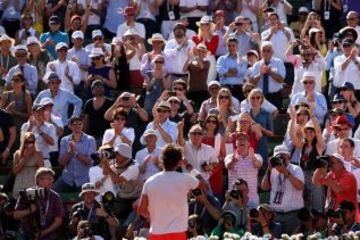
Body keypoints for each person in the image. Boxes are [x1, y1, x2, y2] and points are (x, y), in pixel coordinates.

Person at [138, 144, 201, 239]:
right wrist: (188, 166)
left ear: (161, 160)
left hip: (156, 233)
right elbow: (204, 185)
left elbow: (141, 210)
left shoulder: (149, 181)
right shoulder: (185, 178)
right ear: (179, 162)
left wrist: (155, 217)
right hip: (178, 234)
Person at [261, 144, 305, 234]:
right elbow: (264, 187)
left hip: (292, 214)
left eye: (282, 156)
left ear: (288, 157)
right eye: (277, 157)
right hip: (275, 214)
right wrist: (268, 170)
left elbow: (300, 187)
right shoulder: (272, 170)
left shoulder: (296, 169)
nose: (280, 159)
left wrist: (286, 172)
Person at [13, 167, 64, 240]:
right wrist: (29, 210)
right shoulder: (26, 194)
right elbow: (16, 215)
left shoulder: (55, 197)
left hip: (47, 233)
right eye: (43, 179)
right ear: (37, 180)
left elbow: (58, 221)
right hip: (26, 232)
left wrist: (42, 233)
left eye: (50, 179)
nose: (47, 181)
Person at [289, 110, 325, 212]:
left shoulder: (319, 146)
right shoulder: (302, 146)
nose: (309, 133)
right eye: (307, 131)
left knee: (317, 207)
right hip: (303, 177)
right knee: (305, 207)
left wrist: (312, 115)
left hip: (316, 178)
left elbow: (318, 131)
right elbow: (292, 135)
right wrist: (292, 120)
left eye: (311, 131)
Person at [53, 116, 96, 192]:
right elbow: (61, 163)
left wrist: (76, 153)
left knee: (87, 197)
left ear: (83, 125)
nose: (77, 126)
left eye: (80, 124)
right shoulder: (64, 140)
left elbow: (89, 162)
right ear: (69, 126)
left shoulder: (90, 140)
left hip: (84, 179)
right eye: (74, 124)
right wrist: (69, 152)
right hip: (67, 178)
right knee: (53, 192)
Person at [101, 143, 143, 220]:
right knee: (106, 210)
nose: (114, 155)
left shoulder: (134, 167)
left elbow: (117, 179)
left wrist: (108, 166)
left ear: (125, 155)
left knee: (127, 224)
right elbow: (105, 172)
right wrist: (104, 163)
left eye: (117, 153)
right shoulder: (116, 164)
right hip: (122, 198)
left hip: (135, 199)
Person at [224, 132, 262, 209]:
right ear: (236, 143)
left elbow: (258, 165)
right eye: (239, 139)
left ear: (248, 143)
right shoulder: (229, 156)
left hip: (252, 199)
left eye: (244, 139)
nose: (241, 141)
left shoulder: (257, 156)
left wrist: (253, 159)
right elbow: (228, 166)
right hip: (234, 198)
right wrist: (234, 160)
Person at [250, 41, 286, 109]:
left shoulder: (278, 62)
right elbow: (252, 83)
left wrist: (271, 73)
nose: (266, 53)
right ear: (261, 52)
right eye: (264, 51)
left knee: (276, 117)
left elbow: (281, 80)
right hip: (260, 97)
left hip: (275, 96)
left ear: (272, 52)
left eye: (268, 51)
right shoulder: (257, 65)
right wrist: (260, 74)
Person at [1, 72, 32, 147]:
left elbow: (29, 115)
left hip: (21, 128)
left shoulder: (27, 95)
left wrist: (15, 112)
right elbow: (1, 113)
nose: (14, 82)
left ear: (22, 83)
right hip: (8, 128)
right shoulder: (6, 94)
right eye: (13, 80)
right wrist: (7, 109)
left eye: (17, 80)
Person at [20, 104, 56, 168]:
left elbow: (52, 142)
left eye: (42, 111)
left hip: (44, 159)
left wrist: (40, 131)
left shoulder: (50, 127)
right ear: (33, 113)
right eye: (38, 111)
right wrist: (30, 126)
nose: (40, 113)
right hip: (29, 160)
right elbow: (22, 142)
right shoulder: (26, 125)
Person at [12, 132, 44, 197]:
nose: (29, 144)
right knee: (19, 201)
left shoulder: (38, 153)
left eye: (31, 142)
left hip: (33, 179)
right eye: (27, 142)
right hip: (20, 179)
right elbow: (15, 171)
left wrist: (35, 154)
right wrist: (26, 157)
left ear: (34, 142)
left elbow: (42, 169)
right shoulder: (17, 154)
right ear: (24, 142)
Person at [217, 37, 248, 102]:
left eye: (233, 45)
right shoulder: (221, 59)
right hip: (225, 87)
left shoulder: (243, 60)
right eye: (229, 46)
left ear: (237, 46)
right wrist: (235, 71)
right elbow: (220, 71)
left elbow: (242, 73)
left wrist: (227, 72)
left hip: (239, 88)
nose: (231, 47)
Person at [83, 80, 113, 146]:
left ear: (104, 89)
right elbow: (85, 120)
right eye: (95, 87)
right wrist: (84, 136)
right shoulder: (88, 103)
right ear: (92, 90)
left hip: (106, 136)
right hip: (92, 137)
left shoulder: (110, 102)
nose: (98, 88)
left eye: (100, 86)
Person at [247, 89, 274, 161]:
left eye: (258, 97)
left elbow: (271, 133)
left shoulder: (267, 114)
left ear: (261, 99)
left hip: (262, 145)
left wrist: (261, 128)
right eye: (252, 97)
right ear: (249, 99)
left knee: (262, 168)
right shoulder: (245, 114)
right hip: (248, 145)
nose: (255, 99)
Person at [192, 16, 218, 82]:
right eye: (202, 24)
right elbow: (194, 52)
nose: (204, 26)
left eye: (207, 24)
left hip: (210, 60)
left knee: (209, 81)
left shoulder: (215, 37)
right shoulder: (195, 38)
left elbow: (212, 51)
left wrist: (206, 38)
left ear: (210, 26)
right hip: (198, 60)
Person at [0, 96, 16, 165]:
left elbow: (13, 134)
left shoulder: (7, 115)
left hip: (2, 151)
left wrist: (7, 150)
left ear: (0, 101)